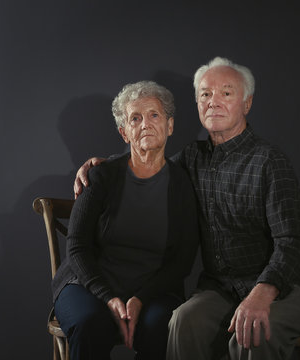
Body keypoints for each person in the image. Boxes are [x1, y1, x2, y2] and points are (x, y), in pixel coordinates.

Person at [74, 58, 300, 360]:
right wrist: (102, 166)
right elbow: (147, 159)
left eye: (226, 93)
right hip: (223, 289)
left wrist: (262, 293)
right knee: (181, 321)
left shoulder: (270, 162)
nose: (213, 102)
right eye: (205, 94)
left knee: (251, 337)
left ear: (247, 103)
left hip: (282, 288)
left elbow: (292, 244)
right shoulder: (192, 158)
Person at [53, 81, 199, 360]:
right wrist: (108, 296)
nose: (145, 124)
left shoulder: (182, 184)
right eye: (135, 118)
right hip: (88, 283)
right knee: (90, 324)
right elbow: (77, 247)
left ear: (169, 125)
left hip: (152, 289)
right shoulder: (100, 176)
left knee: (162, 327)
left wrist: (140, 298)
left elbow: (182, 260)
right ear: (124, 132)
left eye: (154, 115)